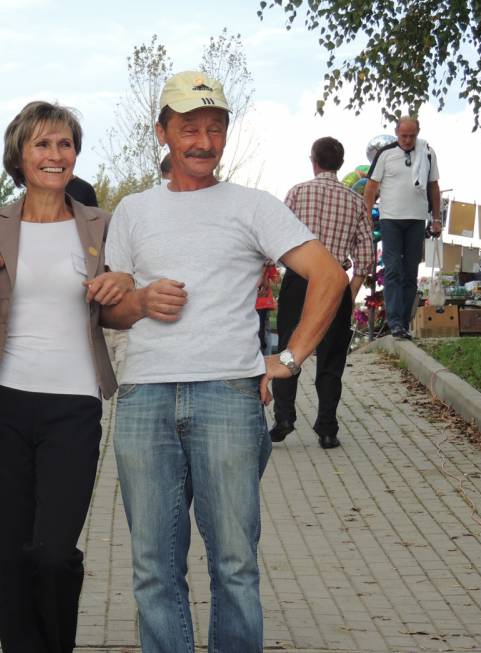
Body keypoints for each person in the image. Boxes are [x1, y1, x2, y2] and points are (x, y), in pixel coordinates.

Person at [100, 70, 348, 653]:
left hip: (229, 397)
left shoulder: (253, 206)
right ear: (162, 132)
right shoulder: (132, 211)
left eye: (215, 128)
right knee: (152, 568)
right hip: (144, 396)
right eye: (189, 128)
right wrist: (140, 300)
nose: (204, 142)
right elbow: (113, 312)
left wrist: (288, 358)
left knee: (235, 565)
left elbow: (330, 276)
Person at [0, 101, 130, 653]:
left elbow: (130, 293)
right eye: (42, 144)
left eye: (65, 144)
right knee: (9, 555)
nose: (55, 155)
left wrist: (124, 281)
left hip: (73, 407)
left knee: (53, 553)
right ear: (19, 156)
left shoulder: (103, 225)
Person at [270, 137, 375, 449]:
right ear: (340, 164)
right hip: (335, 281)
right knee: (332, 356)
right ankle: (327, 428)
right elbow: (366, 254)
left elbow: (275, 236)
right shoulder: (356, 201)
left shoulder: (297, 192)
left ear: (313, 161)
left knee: (289, 345)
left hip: (299, 280)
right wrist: (350, 291)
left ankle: (284, 417)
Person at [362, 116, 441, 338]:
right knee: (393, 269)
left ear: (418, 133)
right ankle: (395, 321)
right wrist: (367, 216)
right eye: (403, 135)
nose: (407, 140)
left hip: (417, 219)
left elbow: (434, 186)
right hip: (391, 219)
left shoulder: (427, 153)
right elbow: (371, 187)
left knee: (410, 272)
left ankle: (403, 324)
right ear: (396, 132)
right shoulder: (385, 153)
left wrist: (436, 219)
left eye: (411, 136)